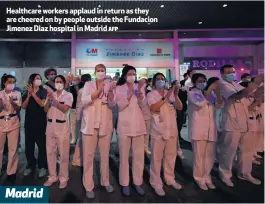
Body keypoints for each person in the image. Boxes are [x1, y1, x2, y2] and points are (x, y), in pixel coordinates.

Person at [218, 64, 263, 187]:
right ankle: (225, 174)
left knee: (246, 150)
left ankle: (245, 173)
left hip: (244, 122)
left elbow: (253, 94)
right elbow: (238, 95)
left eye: (233, 71)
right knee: (229, 151)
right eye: (228, 72)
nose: (232, 74)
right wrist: (255, 83)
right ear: (222, 74)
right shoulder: (222, 85)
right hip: (231, 124)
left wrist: (260, 85)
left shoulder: (236, 84)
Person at [80, 64, 115, 199]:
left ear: (106, 72)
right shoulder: (88, 85)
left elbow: (112, 104)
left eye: (103, 70)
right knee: (88, 157)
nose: (101, 72)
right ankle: (89, 186)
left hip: (104, 124)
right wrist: (98, 90)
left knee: (104, 155)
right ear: (94, 72)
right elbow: (84, 101)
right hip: (90, 125)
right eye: (98, 70)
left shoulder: (109, 85)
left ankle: (105, 181)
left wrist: (111, 92)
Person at [147, 73, 183, 196]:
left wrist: (176, 95)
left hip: (172, 130)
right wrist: (167, 95)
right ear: (153, 82)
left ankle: (169, 178)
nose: (160, 81)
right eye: (158, 79)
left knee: (171, 156)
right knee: (156, 159)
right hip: (158, 131)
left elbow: (180, 107)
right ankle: (155, 182)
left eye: (163, 79)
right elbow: (154, 108)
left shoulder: (172, 93)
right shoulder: (151, 94)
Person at [188, 74, 223, 190]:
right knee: (199, 156)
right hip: (198, 129)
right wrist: (209, 91)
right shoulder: (192, 93)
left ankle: (207, 176)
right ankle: (199, 178)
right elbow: (200, 104)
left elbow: (219, 105)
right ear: (194, 82)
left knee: (210, 156)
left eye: (204, 81)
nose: (202, 83)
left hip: (211, 129)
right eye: (199, 81)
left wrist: (217, 92)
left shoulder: (211, 94)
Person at [115, 65, 146, 196]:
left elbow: (144, 105)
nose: (132, 76)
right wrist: (131, 94)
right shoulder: (119, 88)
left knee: (139, 156)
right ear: (124, 75)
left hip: (138, 127)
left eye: (134, 73)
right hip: (124, 127)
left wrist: (139, 92)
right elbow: (119, 106)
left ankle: (137, 182)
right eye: (129, 73)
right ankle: (125, 183)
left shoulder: (141, 87)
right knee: (124, 157)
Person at [43, 75, 73, 189]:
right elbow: (45, 109)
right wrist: (47, 100)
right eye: (56, 81)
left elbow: (65, 109)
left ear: (64, 83)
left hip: (62, 128)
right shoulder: (51, 94)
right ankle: (52, 176)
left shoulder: (68, 95)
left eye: (60, 81)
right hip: (50, 127)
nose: (58, 83)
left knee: (63, 155)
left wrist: (54, 100)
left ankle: (63, 178)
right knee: (50, 153)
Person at [22, 74, 48, 178]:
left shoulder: (43, 91)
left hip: (40, 122)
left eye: (39, 78)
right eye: (36, 78)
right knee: (29, 146)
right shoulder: (26, 92)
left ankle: (42, 166)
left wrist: (33, 93)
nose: (39, 80)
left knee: (42, 146)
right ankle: (30, 165)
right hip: (29, 123)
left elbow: (42, 104)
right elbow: (23, 106)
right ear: (31, 80)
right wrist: (28, 95)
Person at [0, 74, 21, 180]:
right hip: (1, 122)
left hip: (13, 122)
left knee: (13, 148)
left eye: (13, 82)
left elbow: (18, 109)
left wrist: (13, 103)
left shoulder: (17, 93)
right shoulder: (0, 94)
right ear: (4, 82)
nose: (11, 84)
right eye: (9, 82)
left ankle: (11, 172)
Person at [72, 74, 91, 167]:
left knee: (82, 139)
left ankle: (78, 159)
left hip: (81, 117)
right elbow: (81, 105)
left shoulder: (80, 90)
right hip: (82, 117)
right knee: (81, 139)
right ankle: (77, 159)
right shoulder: (83, 91)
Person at [138, 78, 151, 155]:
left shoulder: (149, 91)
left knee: (147, 134)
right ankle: (140, 149)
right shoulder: (138, 92)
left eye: (144, 82)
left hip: (148, 115)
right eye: (140, 82)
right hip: (139, 116)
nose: (142, 84)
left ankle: (145, 148)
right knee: (140, 134)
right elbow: (141, 103)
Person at [69, 76, 80, 144]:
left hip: (81, 109)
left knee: (80, 124)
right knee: (73, 124)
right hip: (73, 108)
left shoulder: (82, 87)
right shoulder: (71, 87)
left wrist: (77, 89)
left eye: (75, 80)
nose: (74, 81)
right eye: (73, 80)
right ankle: (73, 138)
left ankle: (79, 138)